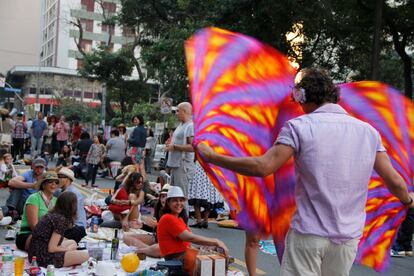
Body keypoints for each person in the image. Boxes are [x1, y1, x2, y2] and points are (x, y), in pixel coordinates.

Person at [197, 68, 414, 276]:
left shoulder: (299, 126)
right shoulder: (368, 131)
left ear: (304, 98)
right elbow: (394, 180)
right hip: (347, 237)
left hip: (308, 233)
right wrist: (407, 199)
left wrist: (213, 157)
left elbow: (263, 166)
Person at [157, 186, 228, 261]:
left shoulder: (179, 219)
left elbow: (188, 243)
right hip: (176, 259)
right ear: (168, 202)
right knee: (213, 260)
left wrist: (207, 247)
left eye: (181, 200)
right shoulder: (167, 218)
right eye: (175, 200)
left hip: (184, 254)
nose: (179, 203)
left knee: (216, 251)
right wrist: (216, 241)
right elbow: (190, 237)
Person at [28, 191, 89, 268]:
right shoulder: (61, 219)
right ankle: (66, 258)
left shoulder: (54, 214)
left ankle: (69, 257)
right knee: (85, 255)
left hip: (35, 253)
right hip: (42, 257)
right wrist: (67, 249)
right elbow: (52, 248)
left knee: (73, 242)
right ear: (72, 206)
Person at [15, 171, 59, 251]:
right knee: (51, 244)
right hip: (29, 235)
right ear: (43, 184)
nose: (54, 184)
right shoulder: (34, 198)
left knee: (73, 240)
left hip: (49, 236)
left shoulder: (56, 201)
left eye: (56, 182)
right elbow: (34, 227)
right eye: (50, 182)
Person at [124, 184, 171, 258]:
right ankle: (149, 250)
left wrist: (157, 225)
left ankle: (148, 250)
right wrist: (142, 226)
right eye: (162, 197)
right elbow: (155, 229)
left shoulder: (177, 211)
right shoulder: (158, 207)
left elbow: (174, 233)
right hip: (157, 239)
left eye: (166, 197)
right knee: (126, 238)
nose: (164, 199)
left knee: (159, 248)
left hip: (168, 242)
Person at [165, 102, 195, 199]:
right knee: (173, 195)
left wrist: (174, 147)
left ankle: (184, 214)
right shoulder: (181, 125)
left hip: (182, 166)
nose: (176, 113)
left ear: (185, 111)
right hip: (176, 165)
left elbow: (193, 147)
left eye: (178, 111)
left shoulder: (190, 126)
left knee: (180, 197)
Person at [56, 167, 87, 243]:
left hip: (75, 225)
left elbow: (70, 216)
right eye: (57, 177)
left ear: (68, 179)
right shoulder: (60, 191)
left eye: (60, 177)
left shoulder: (72, 193)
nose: (57, 180)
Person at [188, 161, 223, 229]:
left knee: (197, 193)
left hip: (200, 168)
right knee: (209, 195)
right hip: (211, 168)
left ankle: (198, 220)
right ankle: (205, 220)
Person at [127, 115, 147, 179]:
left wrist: (128, 139)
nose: (134, 121)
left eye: (136, 119)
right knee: (142, 167)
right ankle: (143, 181)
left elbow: (136, 141)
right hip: (142, 149)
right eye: (134, 120)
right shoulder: (144, 129)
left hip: (136, 149)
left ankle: (137, 181)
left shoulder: (136, 129)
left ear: (140, 120)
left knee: (136, 167)